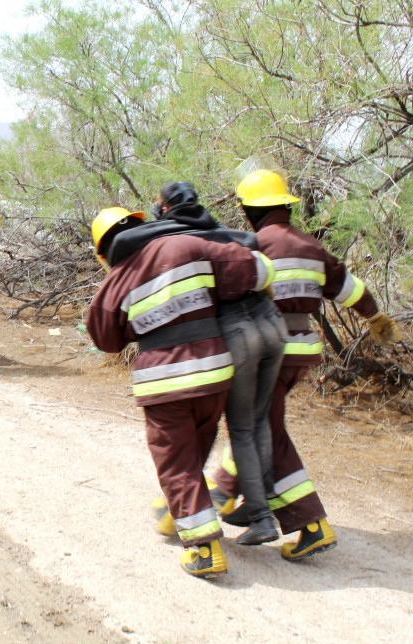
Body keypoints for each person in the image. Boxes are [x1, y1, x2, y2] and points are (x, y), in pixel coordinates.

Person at [208, 161, 401, 561]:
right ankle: (224, 490)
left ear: (250, 211)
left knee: (266, 430)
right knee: (258, 419)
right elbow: (351, 289)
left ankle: (309, 522)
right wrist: (375, 316)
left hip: (268, 350)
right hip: (304, 350)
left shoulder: (253, 245)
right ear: (287, 208)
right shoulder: (312, 247)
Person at [86, 206, 276, 578]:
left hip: (164, 384)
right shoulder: (190, 245)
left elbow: (104, 338)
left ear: (104, 253)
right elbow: (259, 269)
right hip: (214, 375)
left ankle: (203, 548)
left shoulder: (117, 281)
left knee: (176, 464)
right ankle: (183, 513)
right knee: (195, 453)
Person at [149, 181, 287, 547]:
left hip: (238, 332)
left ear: (164, 209)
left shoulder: (175, 242)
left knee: (238, 426)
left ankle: (259, 516)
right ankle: (257, 503)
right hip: (273, 322)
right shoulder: (222, 232)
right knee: (258, 420)